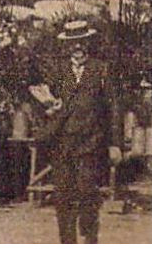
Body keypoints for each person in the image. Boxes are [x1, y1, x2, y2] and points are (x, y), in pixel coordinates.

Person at [29, 19, 122, 244]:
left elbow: (114, 109)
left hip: (91, 142)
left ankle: (90, 238)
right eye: (73, 44)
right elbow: (39, 100)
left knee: (88, 193)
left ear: (88, 43)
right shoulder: (58, 70)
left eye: (81, 43)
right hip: (62, 143)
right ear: (66, 46)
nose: (77, 48)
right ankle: (67, 243)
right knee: (63, 196)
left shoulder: (101, 70)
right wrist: (49, 108)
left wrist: (115, 144)